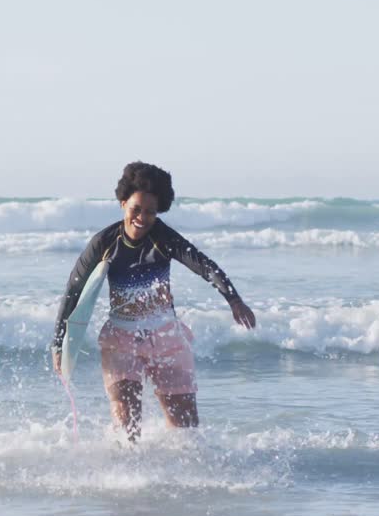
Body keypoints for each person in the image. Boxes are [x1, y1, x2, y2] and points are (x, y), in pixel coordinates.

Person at [52, 162, 256, 441]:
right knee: (126, 433)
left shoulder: (163, 238)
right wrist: (58, 342)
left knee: (187, 436)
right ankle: (128, 469)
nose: (142, 218)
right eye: (136, 209)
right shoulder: (104, 242)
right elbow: (73, 290)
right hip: (121, 340)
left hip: (166, 338)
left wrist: (234, 299)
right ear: (123, 203)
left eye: (150, 212)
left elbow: (203, 265)